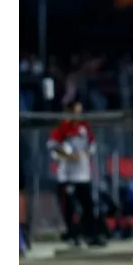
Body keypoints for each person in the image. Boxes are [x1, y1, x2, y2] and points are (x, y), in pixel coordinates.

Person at [47, 99, 106, 247]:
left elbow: (92, 144)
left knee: (88, 206)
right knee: (69, 208)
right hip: (67, 176)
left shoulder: (84, 127)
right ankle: (72, 235)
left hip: (83, 175)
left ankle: (90, 235)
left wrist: (86, 152)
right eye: (76, 112)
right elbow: (52, 146)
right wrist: (67, 155)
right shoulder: (62, 128)